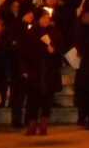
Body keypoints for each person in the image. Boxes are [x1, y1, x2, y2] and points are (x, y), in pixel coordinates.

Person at [21, 8, 64, 136]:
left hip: (49, 70)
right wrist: (24, 69)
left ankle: (44, 123)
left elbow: (61, 47)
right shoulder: (31, 33)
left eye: (48, 18)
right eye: (44, 18)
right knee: (33, 99)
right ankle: (32, 124)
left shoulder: (54, 32)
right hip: (35, 70)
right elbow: (23, 52)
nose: (46, 20)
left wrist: (54, 50)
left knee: (47, 99)